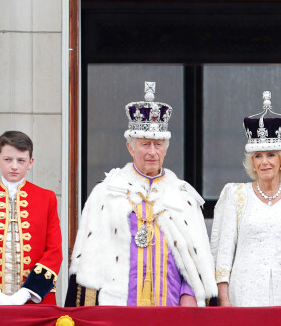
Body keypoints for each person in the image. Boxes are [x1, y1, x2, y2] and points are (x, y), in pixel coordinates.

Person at [70, 82, 215, 307]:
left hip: (172, 306)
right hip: (118, 305)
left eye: (158, 144)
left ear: (166, 149)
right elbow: (89, 259)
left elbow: (196, 256)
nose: (152, 152)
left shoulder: (183, 195)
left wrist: (190, 295)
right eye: (145, 144)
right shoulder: (106, 192)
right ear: (130, 148)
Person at [212, 94, 281, 307]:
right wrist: (224, 301)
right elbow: (224, 253)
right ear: (252, 161)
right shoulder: (236, 194)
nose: (264, 162)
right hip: (245, 295)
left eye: (271, 154)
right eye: (258, 156)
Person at [0, 131, 64, 306]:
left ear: (30, 163)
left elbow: (54, 251)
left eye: (21, 160)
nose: (14, 166)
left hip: (37, 301)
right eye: (8, 159)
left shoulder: (47, 198)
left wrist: (28, 292)